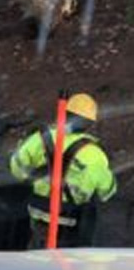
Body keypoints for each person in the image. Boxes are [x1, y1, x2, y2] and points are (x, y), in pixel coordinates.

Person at [9, 92, 116, 248]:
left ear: (65, 114)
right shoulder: (94, 154)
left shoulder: (39, 139)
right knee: (66, 264)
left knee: (37, 255)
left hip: (38, 213)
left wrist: (35, 179)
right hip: (70, 220)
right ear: (90, 124)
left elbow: (16, 168)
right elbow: (107, 192)